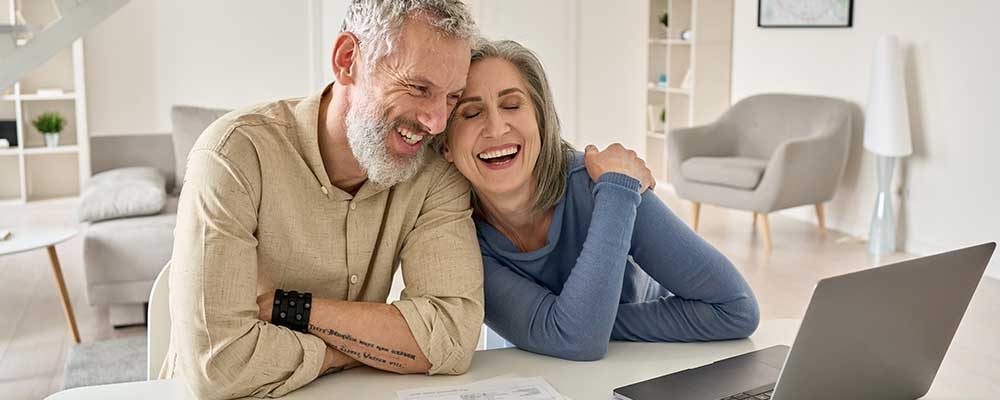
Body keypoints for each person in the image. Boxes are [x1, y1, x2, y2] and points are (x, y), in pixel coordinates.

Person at [163, 1, 484, 398]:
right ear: (348, 60)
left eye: (452, 97)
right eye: (418, 88)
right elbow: (220, 364)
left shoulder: (434, 175)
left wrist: (290, 309)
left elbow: (452, 338)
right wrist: (356, 351)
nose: (436, 122)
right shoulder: (234, 154)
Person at [434, 39, 760, 361]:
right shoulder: (455, 235)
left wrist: (581, 322)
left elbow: (736, 308)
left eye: (512, 105)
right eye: (472, 113)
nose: (496, 127)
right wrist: (578, 323)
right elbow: (577, 337)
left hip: (641, 366)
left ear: (541, 121)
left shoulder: (609, 186)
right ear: (445, 145)